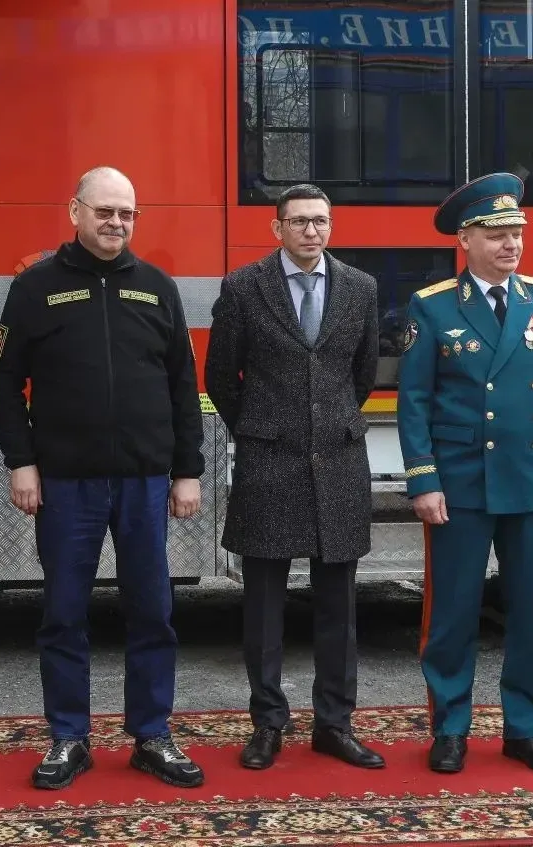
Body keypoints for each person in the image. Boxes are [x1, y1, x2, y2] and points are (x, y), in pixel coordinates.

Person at [0, 166, 206, 790]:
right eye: (105, 211)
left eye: (127, 213)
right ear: (75, 211)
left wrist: (187, 471)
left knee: (153, 612)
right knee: (63, 614)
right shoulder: (35, 287)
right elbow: (3, 380)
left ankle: (152, 735)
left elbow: (183, 385)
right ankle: (68, 738)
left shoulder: (157, 288)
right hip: (65, 483)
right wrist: (21, 461)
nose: (116, 223)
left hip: (144, 482)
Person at [396, 172, 533, 777]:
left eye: (517, 234)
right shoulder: (432, 306)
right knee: (452, 613)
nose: (512, 245)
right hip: (461, 481)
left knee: (531, 614)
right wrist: (424, 479)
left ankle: (527, 729)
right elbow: (414, 401)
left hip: (530, 477)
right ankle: (450, 728)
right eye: (497, 234)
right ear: (466, 240)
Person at [203, 183, 383, 771]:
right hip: (269, 462)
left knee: (339, 607)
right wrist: (259, 427)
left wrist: (330, 422)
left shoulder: (360, 288)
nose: (312, 231)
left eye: (321, 221)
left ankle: (335, 724)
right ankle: (267, 723)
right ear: (276, 228)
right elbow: (221, 376)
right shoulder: (243, 287)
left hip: (338, 461)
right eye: (300, 221)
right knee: (263, 608)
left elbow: (361, 374)